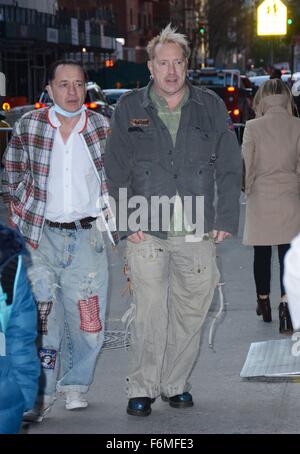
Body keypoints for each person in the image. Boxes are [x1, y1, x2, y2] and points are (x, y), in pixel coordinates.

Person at [104, 24, 242, 417]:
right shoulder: (129, 108)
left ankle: (175, 383)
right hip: (144, 225)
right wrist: (125, 222)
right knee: (150, 310)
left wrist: (226, 216)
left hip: (197, 226)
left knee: (191, 309)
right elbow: (114, 172)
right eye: (162, 63)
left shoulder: (210, 106)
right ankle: (143, 387)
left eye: (177, 63)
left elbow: (231, 167)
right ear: (150, 66)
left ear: (186, 65)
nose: (170, 71)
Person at [2, 60, 117, 423]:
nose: (71, 92)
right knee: (42, 320)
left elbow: (118, 178)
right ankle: (44, 392)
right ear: (49, 89)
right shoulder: (30, 126)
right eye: (63, 84)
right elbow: (11, 175)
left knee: (89, 322)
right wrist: (24, 215)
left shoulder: (102, 127)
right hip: (41, 239)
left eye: (78, 84)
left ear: (86, 88)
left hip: (87, 239)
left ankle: (76, 384)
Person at [242, 78, 300, 333]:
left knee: (261, 254)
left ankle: (263, 302)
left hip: (261, 196)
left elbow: (247, 165)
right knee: (288, 255)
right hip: (290, 195)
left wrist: (248, 188)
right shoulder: (297, 125)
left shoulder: (252, 127)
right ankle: (286, 309)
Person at [0, 224, 40, 434]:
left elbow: (18, 337)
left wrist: (23, 394)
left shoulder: (8, 260)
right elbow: (19, 338)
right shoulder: (8, 258)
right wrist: (24, 394)